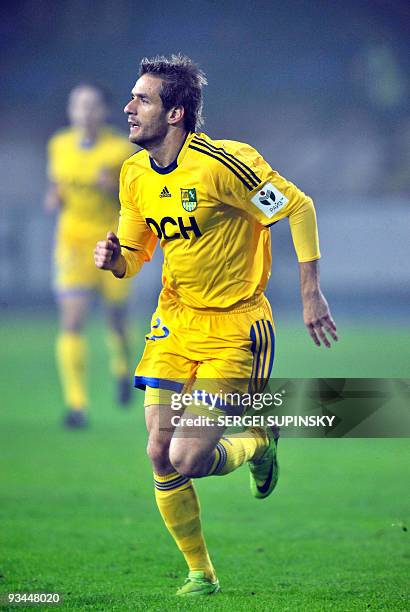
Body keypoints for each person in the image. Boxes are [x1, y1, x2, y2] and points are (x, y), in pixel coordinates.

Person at [94, 54, 338, 596]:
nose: (128, 107)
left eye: (142, 99)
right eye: (131, 96)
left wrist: (310, 292)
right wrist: (114, 258)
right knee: (159, 452)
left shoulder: (224, 165)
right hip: (174, 324)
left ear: (176, 113)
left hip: (236, 329)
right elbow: (135, 254)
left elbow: (297, 208)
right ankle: (201, 575)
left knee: (189, 457)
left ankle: (258, 440)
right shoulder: (134, 173)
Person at [45, 83, 135, 428]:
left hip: (112, 242)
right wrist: (53, 197)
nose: (84, 112)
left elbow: (136, 197)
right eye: (77, 105)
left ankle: (121, 368)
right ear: (71, 110)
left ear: (103, 112)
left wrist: (112, 188)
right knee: (71, 320)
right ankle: (77, 406)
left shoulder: (121, 148)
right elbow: (56, 185)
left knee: (115, 317)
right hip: (71, 242)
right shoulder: (59, 145)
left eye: (91, 105)